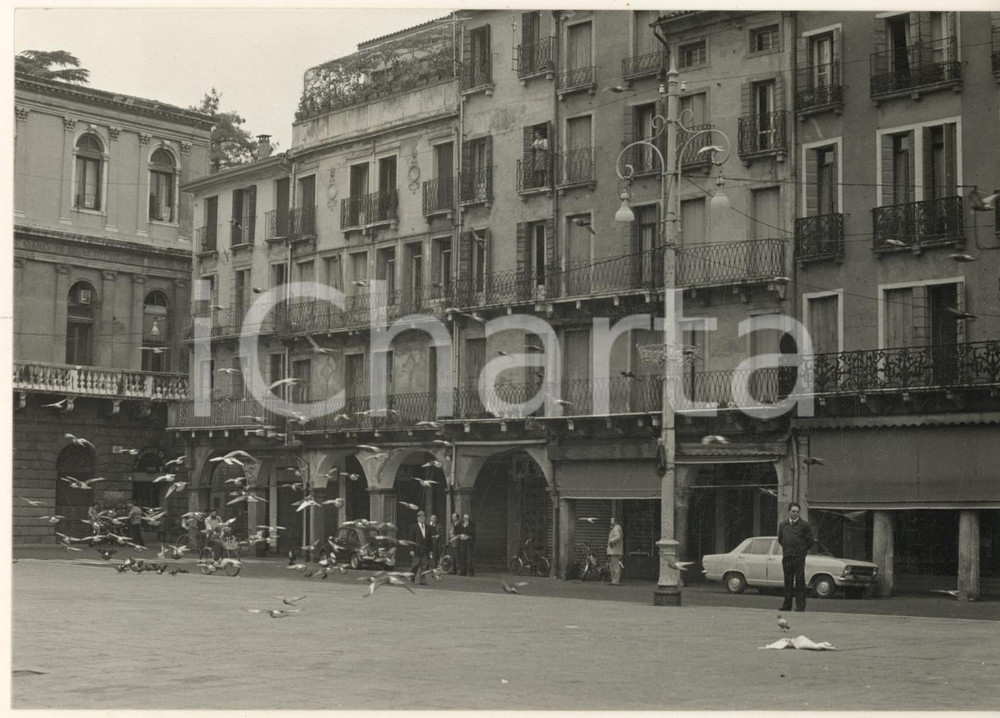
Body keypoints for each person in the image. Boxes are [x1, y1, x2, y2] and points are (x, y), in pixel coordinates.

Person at [778, 502, 815, 612]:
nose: (795, 513)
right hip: (787, 556)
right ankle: (786, 605)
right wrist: (787, 549)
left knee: (800, 581)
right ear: (789, 512)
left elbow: (810, 541)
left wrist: (801, 550)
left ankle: (800, 606)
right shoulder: (783, 525)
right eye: (793, 511)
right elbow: (780, 539)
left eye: (797, 511)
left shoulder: (805, 525)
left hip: (799, 557)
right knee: (787, 580)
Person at [408, 511, 434, 584]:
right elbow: (411, 539)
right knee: (416, 564)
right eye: (421, 517)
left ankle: (422, 581)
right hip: (416, 550)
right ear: (418, 518)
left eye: (424, 517)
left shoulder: (428, 527)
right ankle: (412, 576)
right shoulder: (414, 527)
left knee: (424, 566)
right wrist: (411, 550)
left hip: (425, 550)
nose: (423, 518)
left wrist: (431, 550)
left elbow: (430, 540)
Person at [607, 517, 624, 585]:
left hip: (615, 550)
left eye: (612, 520)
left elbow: (618, 536)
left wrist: (611, 541)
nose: (610, 521)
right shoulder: (615, 528)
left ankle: (615, 581)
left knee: (615, 566)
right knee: (613, 566)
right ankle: (613, 580)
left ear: (615, 521)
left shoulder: (617, 528)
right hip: (614, 550)